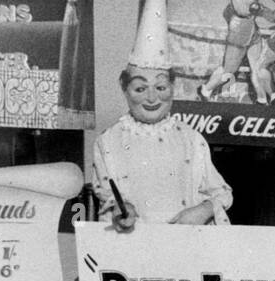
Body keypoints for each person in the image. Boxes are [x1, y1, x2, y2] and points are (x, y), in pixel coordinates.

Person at [93, 0, 233, 230]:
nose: (151, 98)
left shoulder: (192, 139)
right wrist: (120, 209)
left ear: (172, 88)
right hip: (132, 245)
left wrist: (203, 210)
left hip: (186, 244)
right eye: (140, 88)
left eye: (160, 88)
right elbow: (107, 194)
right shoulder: (108, 140)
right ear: (124, 89)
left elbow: (222, 193)